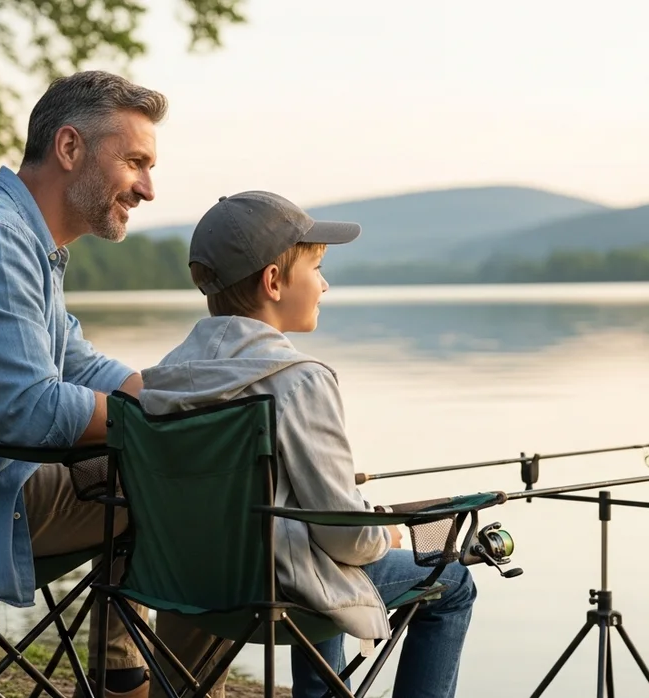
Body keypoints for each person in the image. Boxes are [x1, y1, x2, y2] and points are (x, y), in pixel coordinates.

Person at [0, 70, 225, 698]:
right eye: (136, 162)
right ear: (69, 148)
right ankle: (158, 689)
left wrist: (188, 403)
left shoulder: (21, 240)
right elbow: (32, 411)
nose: (147, 188)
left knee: (174, 457)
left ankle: (126, 680)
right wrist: (171, 431)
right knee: (198, 485)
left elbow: (80, 367)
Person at [136, 191, 478, 698]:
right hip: (276, 594)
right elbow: (345, 536)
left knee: (310, 542)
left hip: (181, 585)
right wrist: (387, 537)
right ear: (274, 282)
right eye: (316, 267)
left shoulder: (162, 377)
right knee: (453, 583)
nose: (324, 283)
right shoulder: (300, 380)